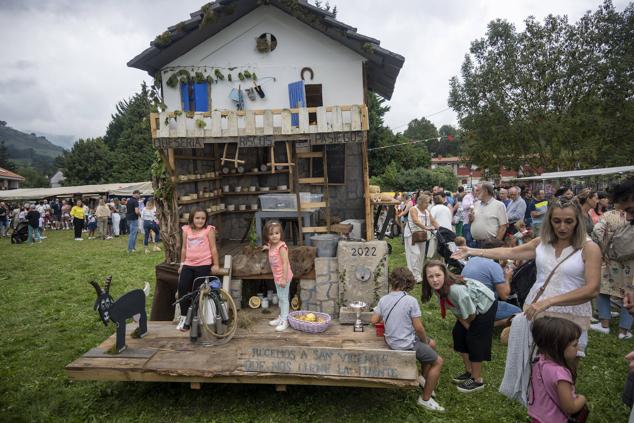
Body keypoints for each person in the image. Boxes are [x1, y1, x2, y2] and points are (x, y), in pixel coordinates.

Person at [453, 197, 601, 403]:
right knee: (537, 362)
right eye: (557, 221)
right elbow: (511, 251)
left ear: (578, 221)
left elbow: (592, 289)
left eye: (569, 221)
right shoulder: (542, 243)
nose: (562, 227)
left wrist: (550, 302)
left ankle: (564, 406)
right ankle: (540, 405)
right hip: (537, 310)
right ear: (549, 220)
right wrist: (472, 250)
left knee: (567, 365)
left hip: (569, 314)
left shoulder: (589, 248)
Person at [372, 267, 445, 412]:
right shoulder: (411, 301)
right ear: (409, 283)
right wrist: (424, 341)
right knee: (438, 361)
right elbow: (419, 328)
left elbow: (374, 320)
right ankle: (425, 399)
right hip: (405, 344)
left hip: (391, 340)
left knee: (432, 344)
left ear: (392, 282)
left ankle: (424, 378)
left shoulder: (384, 299)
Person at [422, 260, 497, 393]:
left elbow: (472, 313)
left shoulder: (456, 291)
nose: (434, 280)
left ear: (445, 274)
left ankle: (477, 380)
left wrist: (471, 328)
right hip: (467, 309)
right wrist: (464, 325)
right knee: (458, 334)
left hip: (484, 306)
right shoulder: (439, 288)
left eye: (438, 275)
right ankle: (469, 372)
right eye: (430, 276)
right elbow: (454, 308)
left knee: (474, 340)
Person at [591, 178, 634, 339]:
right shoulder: (627, 219)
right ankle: (624, 330)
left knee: (604, 291)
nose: (629, 218)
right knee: (628, 294)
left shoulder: (608, 216)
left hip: (612, 263)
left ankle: (605, 324)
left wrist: (602, 249)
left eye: (631, 210)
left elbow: (597, 231)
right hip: (628, 268)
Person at [528, 317, 587, 423]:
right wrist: (582, 399)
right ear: (557, 347)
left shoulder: (538, 361)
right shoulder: (560, 374)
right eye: (575, 345)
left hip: (538, 417)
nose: (578, 348)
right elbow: (570, 408)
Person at [176, 208, 219, 331]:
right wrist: (182, 264)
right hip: (188, 264)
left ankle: (192, 318)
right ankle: (184, 316)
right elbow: (184, 248)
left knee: (196, 291)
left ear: (206, 220)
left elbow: (213, 248)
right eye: (197, 218)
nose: (200, 220)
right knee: (182, 288)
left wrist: (215, 264)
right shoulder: (186, 230)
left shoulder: (208, 230)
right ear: (192, 218)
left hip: (203, 264)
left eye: (203, 218)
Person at [460, 239, 521, 325]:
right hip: (481, 307)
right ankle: (485, 325)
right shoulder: (494, 266)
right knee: (519, 313)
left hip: (466, 304)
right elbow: (504, 296)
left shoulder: (473, 260)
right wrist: (507, 278)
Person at [263, 220, 293, 332]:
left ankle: (285, 320)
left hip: (284, 277)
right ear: (267, 236)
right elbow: (270, 246)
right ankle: (282, 316)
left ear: (281, 234)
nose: (274, 236)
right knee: (280, 298)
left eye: (277, 233)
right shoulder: (272, 245)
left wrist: (284, 278)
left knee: (284, 298)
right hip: (277, 277)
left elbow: (285, 263)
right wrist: (267, 248)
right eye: (271, 234)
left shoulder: (281, 247)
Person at [404, 194, 438, 283]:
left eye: (429, 202)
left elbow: (433, 221)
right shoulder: (413, 209)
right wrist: (426, 227)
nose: (428, 204)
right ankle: (414, 275)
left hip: (422, 235)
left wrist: (441, 228)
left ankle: (417, 274)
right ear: (420, 202)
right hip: (412, 235)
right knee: (415, 254)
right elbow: (415, 220)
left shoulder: (427, 211)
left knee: (421, 255)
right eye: (426, 202)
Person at [470, 182, 508, 246]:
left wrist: (495, 243)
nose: (475, 193)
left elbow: (503, 226)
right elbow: (473, 222)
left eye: (477, 190)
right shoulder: (476, 204)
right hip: (476, 243)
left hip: (489, 243)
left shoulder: (499, 205)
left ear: (485, 191)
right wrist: (471, 219)